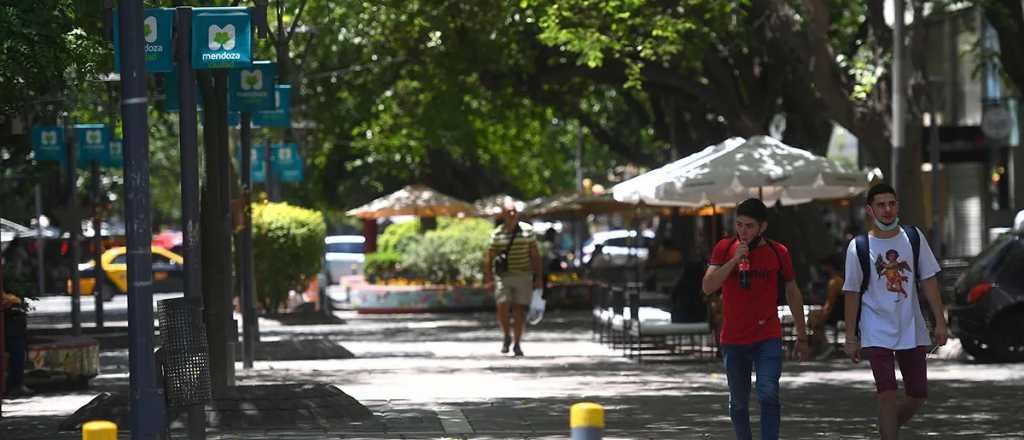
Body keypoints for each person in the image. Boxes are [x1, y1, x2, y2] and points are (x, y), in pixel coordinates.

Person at [842, 183, 947, 440]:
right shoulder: (859, 246)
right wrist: (850, 337)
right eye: (880, 204)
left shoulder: (913, 237)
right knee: (887, 393)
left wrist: (940, 321)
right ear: (870, 209)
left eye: (891, 203)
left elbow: (928, 280)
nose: (887, 210)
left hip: (910, 325)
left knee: (918, 394)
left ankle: (887, 428)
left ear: (897, 205)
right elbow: (852, 293)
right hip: (875, 328)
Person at [702, 198, 809, 440]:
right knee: (739, 402)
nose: (743, 231)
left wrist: (802, 336)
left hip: (767, 336)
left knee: (768, 393)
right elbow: (708, 286)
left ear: (763, 227)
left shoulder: (778, 252)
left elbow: (793, 292)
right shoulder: (724, 247)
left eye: (749, 226)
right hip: (733, 338)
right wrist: (732, 261)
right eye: (739, 224)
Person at [483, 199, 542, 357]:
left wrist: (538, 278)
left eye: (514, 211)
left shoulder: (527, 231)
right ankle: (506, 336)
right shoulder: (497, 234)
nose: (512, 214)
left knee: (519, 310)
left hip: (524, 275)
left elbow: (535, 256)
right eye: (509, 211)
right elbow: (489, 257)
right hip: (503, 276)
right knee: (502, 305)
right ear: (503, 214)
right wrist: (488, 278)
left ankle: (517, 343)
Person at [807, 253, 844, 358]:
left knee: (814, 319)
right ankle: (819, 346)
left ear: (830, 267)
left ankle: (823, 345)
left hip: (836, 314)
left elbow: (830, 303)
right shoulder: (839, 280)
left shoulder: (834, 282)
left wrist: (822, 316)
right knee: (814, 316)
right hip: (837, 313)